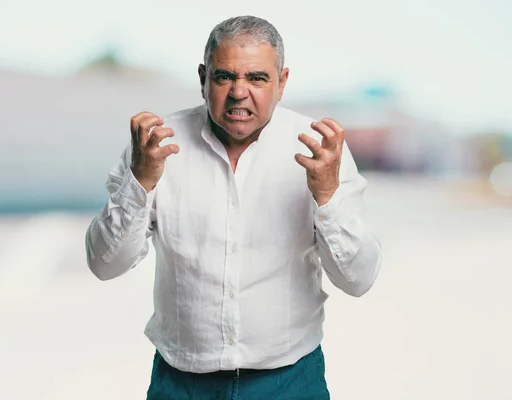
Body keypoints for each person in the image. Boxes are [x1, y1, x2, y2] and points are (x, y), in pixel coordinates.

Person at [85, 15, 381, 400]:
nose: (240, 92)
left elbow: (359, 279)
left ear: (282, 82)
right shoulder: (154, 148)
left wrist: (326, 195)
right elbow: (105, 265)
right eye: (224, 77)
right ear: (203, 78)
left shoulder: (320, 150)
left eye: (257, 78)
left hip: (290, 382)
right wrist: (139, 183)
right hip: (181, 384)